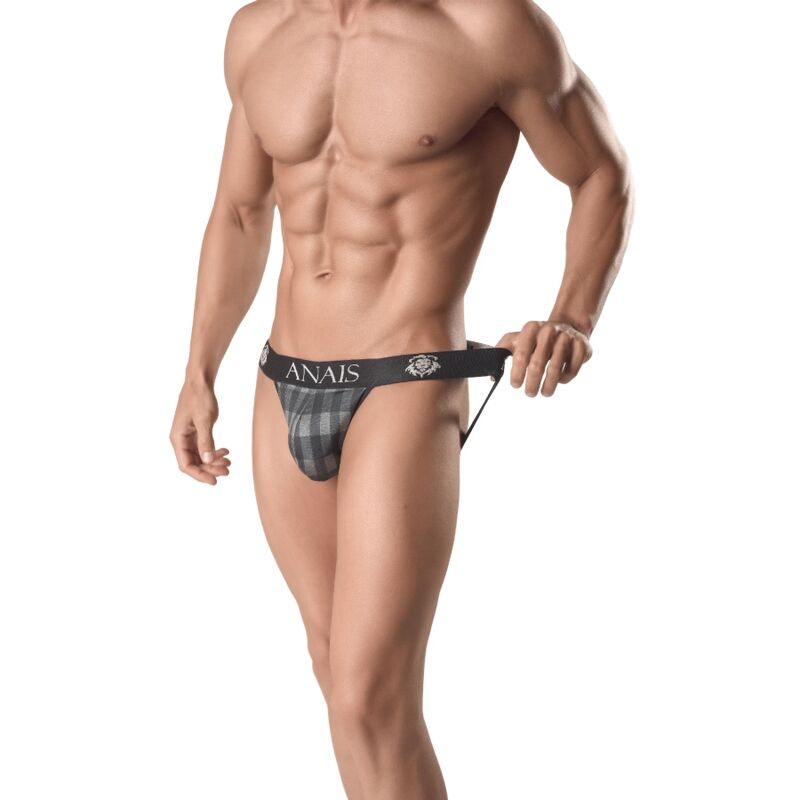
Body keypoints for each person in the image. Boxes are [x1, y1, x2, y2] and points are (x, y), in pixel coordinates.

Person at [169, 0, 633, 796]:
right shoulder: (258, 32)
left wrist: (572, 317)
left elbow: (599, 173)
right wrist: (197, 369)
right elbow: (242, 212)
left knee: (368, 695)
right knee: (337, 676)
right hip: (283, 377)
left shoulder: (488, 27)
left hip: (407, 376)